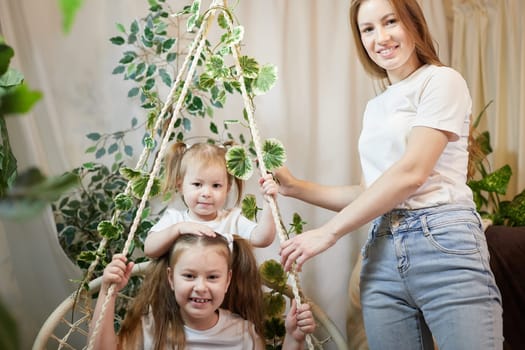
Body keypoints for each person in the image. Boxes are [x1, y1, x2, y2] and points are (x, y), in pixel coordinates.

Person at [276, 0, 503, 349]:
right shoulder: (376, 107)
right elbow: (371, 192)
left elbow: (412, 173)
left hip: (443, 244)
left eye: (390, 22)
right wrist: (297, 188)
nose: (380, 37)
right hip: (381, 252)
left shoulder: (442, 81)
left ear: (412, 22)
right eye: (368, 29)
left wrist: (328, 234)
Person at [89, 233, 315, 349]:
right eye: (189, 276)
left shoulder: (243, 334)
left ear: (227, 281)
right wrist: (109, 293)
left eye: (213, 277)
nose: (201, 287)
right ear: (171, 278)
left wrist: (294, 340)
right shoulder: (150, 328)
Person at [144, 141, 278, 258]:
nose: (206, 193)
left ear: (227, 188)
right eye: (197, 184)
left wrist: (268, 202)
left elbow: (262, 239)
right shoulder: (175, 220)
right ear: (180, 186)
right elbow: (149, 249)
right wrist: (178, 229)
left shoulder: (232, 220)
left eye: (216, 186)